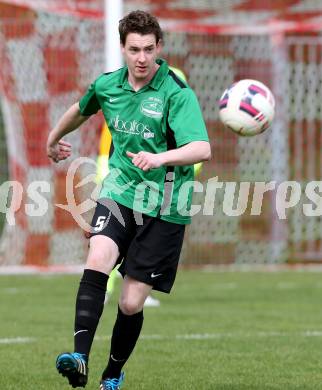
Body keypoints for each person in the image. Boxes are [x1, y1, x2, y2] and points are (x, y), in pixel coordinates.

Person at [46, 10, 211, 390]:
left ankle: (112, 373)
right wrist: (53, 140)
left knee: (131, 303)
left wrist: (160, 158)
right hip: (121, 192)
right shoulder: (109, 85)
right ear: (122, 48)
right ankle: (79, 358)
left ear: (159, 48)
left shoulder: (175, 92)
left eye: (148, 49)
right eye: (134, 49)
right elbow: (81, 108)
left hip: (167, 205)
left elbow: (202, 147)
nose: (141, 58)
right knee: (98, 256)